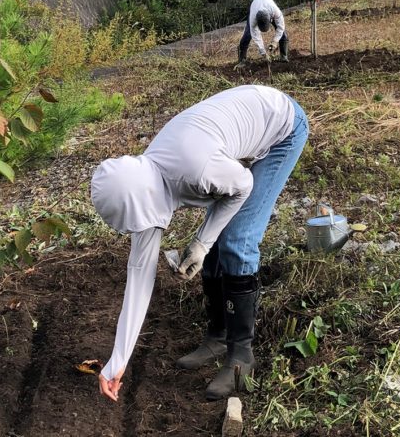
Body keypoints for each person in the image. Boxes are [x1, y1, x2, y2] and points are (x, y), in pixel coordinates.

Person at [90, 85, 309, 402]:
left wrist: (203, 241)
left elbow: (242, 184)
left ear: (144, 201)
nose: (143, 227)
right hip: (233, 136)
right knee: (216, 232)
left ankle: (241, 356)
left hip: (282, 126)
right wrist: (116, 362)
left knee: (235, 237)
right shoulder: (141, 182)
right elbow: (139, 276)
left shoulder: (194, 168)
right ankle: (218, 336)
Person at [237, 0, 288, 67]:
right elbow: (255, 35)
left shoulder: (276, 12)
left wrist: (275, 41)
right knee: (247, 35)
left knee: (283, 34)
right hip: (255, 5)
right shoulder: (253, 18)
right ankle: (242, 60)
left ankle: (283, 57)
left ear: (270, 20)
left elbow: (281, 27)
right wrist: (263, 52)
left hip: (268, 3)